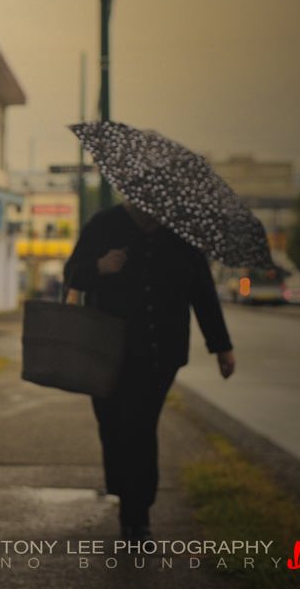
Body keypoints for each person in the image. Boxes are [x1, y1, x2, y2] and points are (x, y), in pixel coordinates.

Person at [64, 200, 236, 542]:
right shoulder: (104, 224)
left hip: (160, 353)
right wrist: (100, 266)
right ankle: (123, 489)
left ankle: (137, 514)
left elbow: (202, 291)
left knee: (141, 426)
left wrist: (221, 346)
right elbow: (73, 274)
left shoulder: (181, 234)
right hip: (108, 351)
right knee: (112, 424)